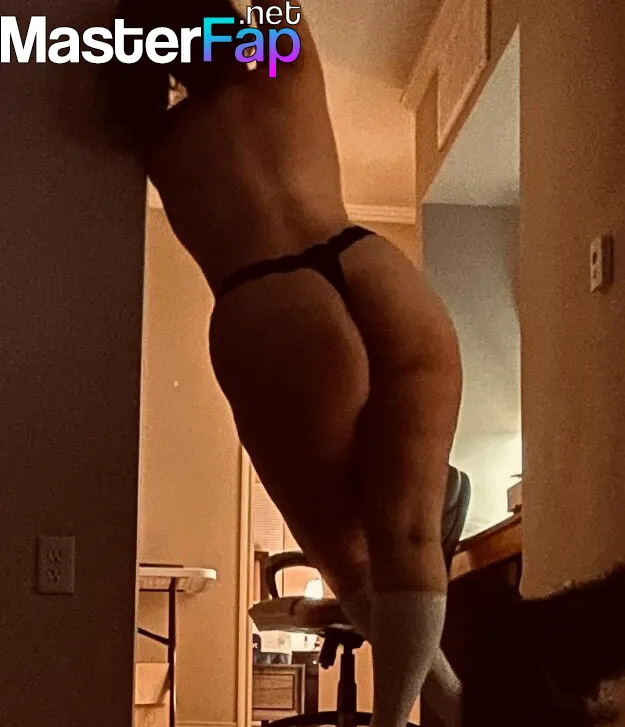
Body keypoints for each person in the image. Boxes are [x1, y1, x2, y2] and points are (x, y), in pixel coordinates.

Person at [123, 2, 463, 726]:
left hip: (268, 300)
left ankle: (402, 718)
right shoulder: (284, 71)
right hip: (371, 265)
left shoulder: (156, 138)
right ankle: (452, 708)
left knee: (348, 558)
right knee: (409, 535)